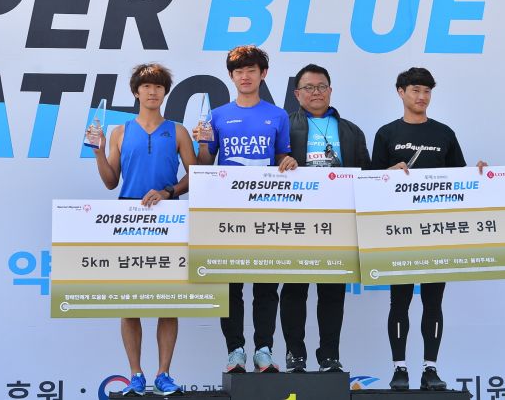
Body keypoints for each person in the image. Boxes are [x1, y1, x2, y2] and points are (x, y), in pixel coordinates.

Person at [371, 67, 487, 392]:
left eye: (427, 91)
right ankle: (399, 369)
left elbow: (460, 181)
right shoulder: (386, 134)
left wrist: (480, 175)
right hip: (398, 233)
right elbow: (370, 182)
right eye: (415, 90)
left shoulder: (444, 134)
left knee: (433, 303)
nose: (422, 97)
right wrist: (387, 172)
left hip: (437, 233)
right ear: (401, 92)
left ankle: (430, 369)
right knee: (399, 302)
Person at [91, 63, 196, 397]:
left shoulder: (178, 131)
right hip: (128, 221)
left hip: (168, 219)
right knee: (130, 303)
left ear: (165, 92)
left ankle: (163, 374)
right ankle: (135, 374)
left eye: (159, 87)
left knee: (168, 303)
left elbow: (196, 175)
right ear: (136, 92)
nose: (153, 92)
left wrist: (168, 192)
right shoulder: (120, 131)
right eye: (147, 86)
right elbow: (111, 181)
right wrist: (97, 152)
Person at [194, 45, 297, 373]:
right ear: (231, 76)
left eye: (251, 70)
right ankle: (235, 351)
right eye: (239, 71)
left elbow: (281, 157)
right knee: (231, 286)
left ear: (263, 74)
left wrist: (288, 161)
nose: (245, 76)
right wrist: (202, 144)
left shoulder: (278, 115)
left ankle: (263, 349)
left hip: (267, 212)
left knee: (267, 286)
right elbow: (204, 166)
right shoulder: (217, 116)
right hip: (228, 212)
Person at [280, 63, 370, 373]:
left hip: (338, 223)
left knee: (332, 292)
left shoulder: (351, 131)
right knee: (294, 290)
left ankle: (330, 355)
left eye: (321, 87)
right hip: (295, 221)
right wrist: (282, 161)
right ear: (297, 94)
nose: (316, 92)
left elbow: (367, 176)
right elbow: (267, 167)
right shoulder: (284, 126)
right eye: (309, 88)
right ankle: (295, 354)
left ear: (330, 91)